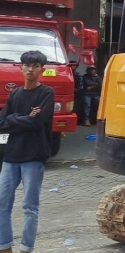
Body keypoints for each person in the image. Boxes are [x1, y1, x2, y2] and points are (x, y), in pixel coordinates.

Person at [0, 50, 54, 253]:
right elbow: (1, 123)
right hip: (11, 157)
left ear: (42, 69)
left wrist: (15, 118)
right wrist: (25, 118)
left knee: (30, 207)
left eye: (35, 66)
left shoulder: (46, 93)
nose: (30, 69)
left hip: (34, 156)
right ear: (21, 67)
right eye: (27, 65)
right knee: (2, 205)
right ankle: (4, 247)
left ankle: (26, 248)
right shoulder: (15, 94)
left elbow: (37, 122)